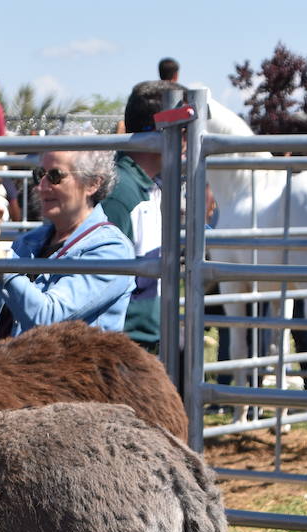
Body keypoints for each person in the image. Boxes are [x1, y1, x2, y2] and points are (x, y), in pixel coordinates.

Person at [0, 147, 134, 339]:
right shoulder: (28, 242)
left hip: (67, 369)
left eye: (55, 176)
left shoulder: (111, 249)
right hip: (13, 365)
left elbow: (47, 318)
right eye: (39, 175)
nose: (41, 186)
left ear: (92, 184)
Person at [101, 80, 184, 353]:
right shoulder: (120, 193)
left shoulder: (152, 186)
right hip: (126, 344)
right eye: (184, 130)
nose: (188, 141)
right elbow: (104, 279)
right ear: (160, 130)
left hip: (146, 337)